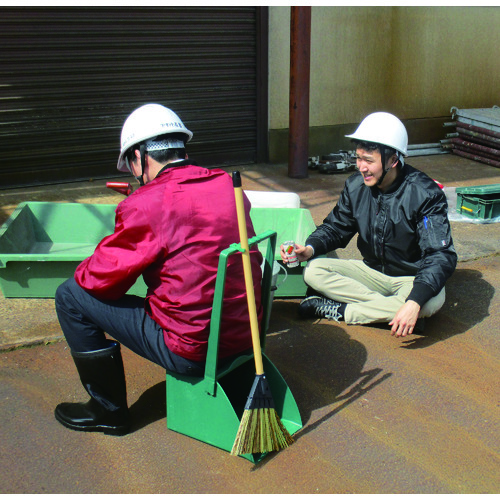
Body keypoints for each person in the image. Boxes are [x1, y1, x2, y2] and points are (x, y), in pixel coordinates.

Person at [54, 103, 263, 435]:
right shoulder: (226, 183)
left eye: (131, 165)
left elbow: (99, 280)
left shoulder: (148, 202)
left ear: (140, 157)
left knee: (69, 295)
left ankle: (108, 411)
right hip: (247, 334)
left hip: (191, 349)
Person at [280, 112, 457, 338]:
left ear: (393, 160)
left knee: (429, 303)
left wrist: (414, 300)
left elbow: (439, 254)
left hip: (411, 278)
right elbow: (337, 226)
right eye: (358, 158)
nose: (361, 167)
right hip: (370, 272)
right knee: (314, 271)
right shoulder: (356, 186)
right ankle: (391, 311)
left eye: (369, 161)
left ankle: (341, 310)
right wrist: (310, 248)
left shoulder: (424, 194)